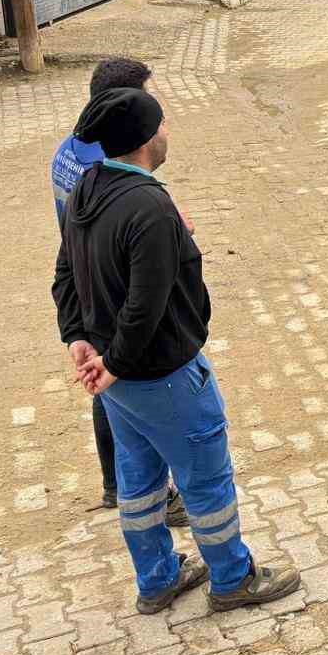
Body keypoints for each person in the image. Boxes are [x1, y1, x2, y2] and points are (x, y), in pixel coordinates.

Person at [53, 88, 302, 614]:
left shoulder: (87, 188)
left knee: (139, 481)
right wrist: (115, 362)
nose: (167, 132)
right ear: (146, 139)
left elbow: (65, 274)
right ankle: (233, 579)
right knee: (206, 479)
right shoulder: (149, 208)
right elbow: (144, 308)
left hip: (119, 386)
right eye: (162, 124)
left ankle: (157, 578)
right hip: (164, 377)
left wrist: (80, 339)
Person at [51, 57, 186, 523]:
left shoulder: (70, 149)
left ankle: (117, 486)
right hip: (115, 283)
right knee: (124, 382)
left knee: (107, 387)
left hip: (87, 277)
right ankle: (149, 491)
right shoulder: (107, 162)